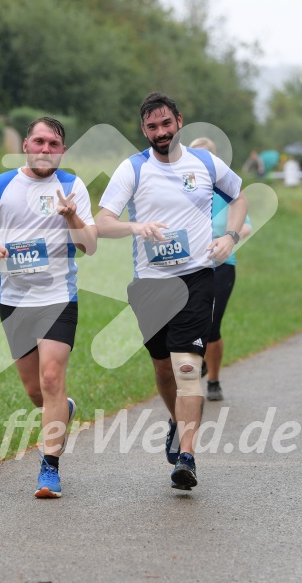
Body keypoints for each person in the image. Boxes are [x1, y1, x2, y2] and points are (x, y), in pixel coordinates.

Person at [96, 92, 248, 490]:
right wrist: (134, 227)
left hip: (197, 277)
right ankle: (175, 421)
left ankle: (187, 455)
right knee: (164, 368)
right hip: (150, 284)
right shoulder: (132, 169)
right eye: (152, 126)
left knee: (185, 367)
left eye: (166, 123)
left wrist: (230, 236)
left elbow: (239, 196)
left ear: (179, 121)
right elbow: (102, 221)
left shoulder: (205, 163)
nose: (160, 132)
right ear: (143, 130)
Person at [0, 117, 97, 498]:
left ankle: (49, 468)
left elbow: (90, 245)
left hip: (58, 297)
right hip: (14, 299)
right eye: (39, 142)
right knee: (35, 391)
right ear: (25, 145)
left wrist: (71, 215)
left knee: (51, 378)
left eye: (53, 144)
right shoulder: (0, 186)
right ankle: (63, 409)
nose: (45, 150)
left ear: (62, 151)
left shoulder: (72, 187)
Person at [189, 137, 252, 400]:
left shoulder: (225, 189)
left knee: (212, 325)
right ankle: (194, 368)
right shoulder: (185, 188)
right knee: (189, 324)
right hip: (190, 267)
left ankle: (212, 380)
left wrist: (228, 238)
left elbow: (245, 225)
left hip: (222, 266)